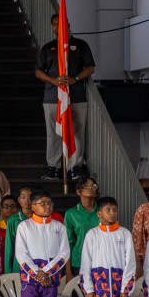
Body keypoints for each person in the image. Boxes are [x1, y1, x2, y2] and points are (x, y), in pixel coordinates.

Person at [35, 11, 95, 180]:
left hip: (76, 96)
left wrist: (75, 79)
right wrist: (54, 81)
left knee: (76, 131)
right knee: (53, 132)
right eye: (53, 24)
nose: (56, 26)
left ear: (67, 24)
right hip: (52, 97)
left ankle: (75, 166)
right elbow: (38, 72)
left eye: (59, 23)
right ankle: (54, 166)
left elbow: (90, 67)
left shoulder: (80, 45)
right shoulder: (48, 48)